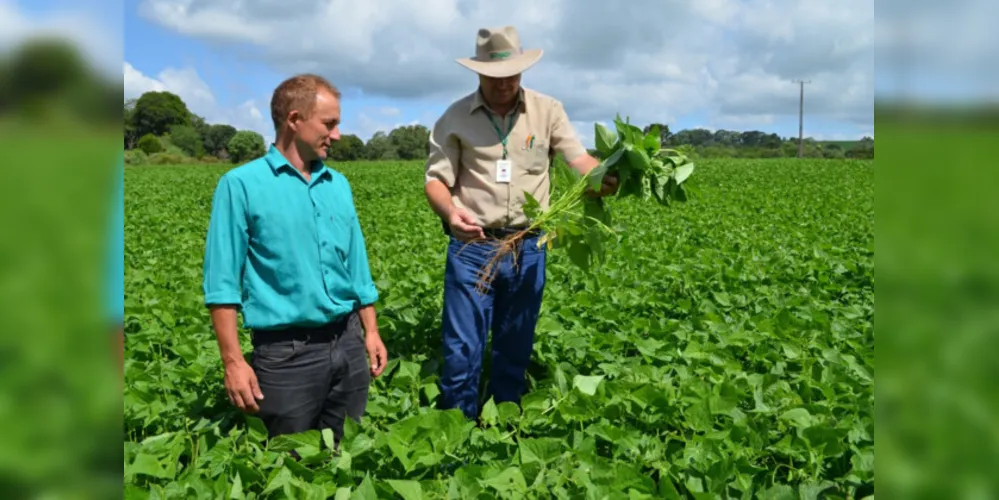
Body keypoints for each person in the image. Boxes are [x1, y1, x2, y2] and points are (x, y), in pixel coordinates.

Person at [423, 26, 619, 420]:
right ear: (479, 72)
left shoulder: (548, 111)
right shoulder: (455, 117)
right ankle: (454, 431)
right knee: (462, 347)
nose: (504, 83)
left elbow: (577, 159)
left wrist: (602, 179)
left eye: (511, 74)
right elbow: (436, 180)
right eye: (495, 76)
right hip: (473, 247)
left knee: (515, 343)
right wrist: (450, 213)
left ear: (523, 69)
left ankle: (503, 426)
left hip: (529, 246)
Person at [202, 74, 388, 443]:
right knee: (289, 467)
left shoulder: (338, 184)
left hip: (348, 343)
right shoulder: (241, 185)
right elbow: (222, 283)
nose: (336, 135)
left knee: (346, 455)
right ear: (294, 119)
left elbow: (357, 266)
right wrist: (234, 362)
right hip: (287, 356)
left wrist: (371, 331)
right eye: (329, 124)